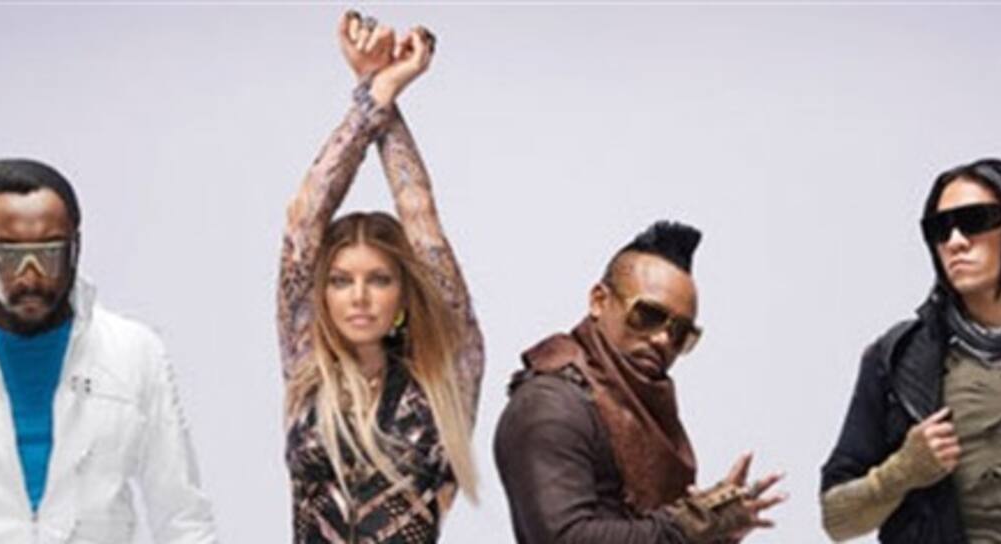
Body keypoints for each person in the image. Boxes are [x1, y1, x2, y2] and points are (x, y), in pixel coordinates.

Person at [0, 158, 217, 542]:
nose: (29, 275)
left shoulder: (133, 355)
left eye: (48, 254)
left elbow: (184, 519)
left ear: (75, 249)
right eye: (9, 256)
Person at [277, 12, 483, 543]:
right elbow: (304, 222)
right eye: (340, 281)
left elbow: (420, 216)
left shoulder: (446, 375)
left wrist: (379, 90)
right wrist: (374, 93)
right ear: (322, 294)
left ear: (404, 293)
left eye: (380, 280)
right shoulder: (308, 370)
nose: (360, 297)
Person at [821, 158, 1001, 543]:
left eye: (976, 220)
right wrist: (900, 472)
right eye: (940, 229)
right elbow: (837, 519)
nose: (955, 242)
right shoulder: (898, 357)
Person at [493, 220, 786, 543]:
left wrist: (716, 532)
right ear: (599, 301)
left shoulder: (639, 408)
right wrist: (691, 525)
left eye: (680, 333)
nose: (662, 340)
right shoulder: (551, 405)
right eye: (648, 315)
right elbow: (563, 537)